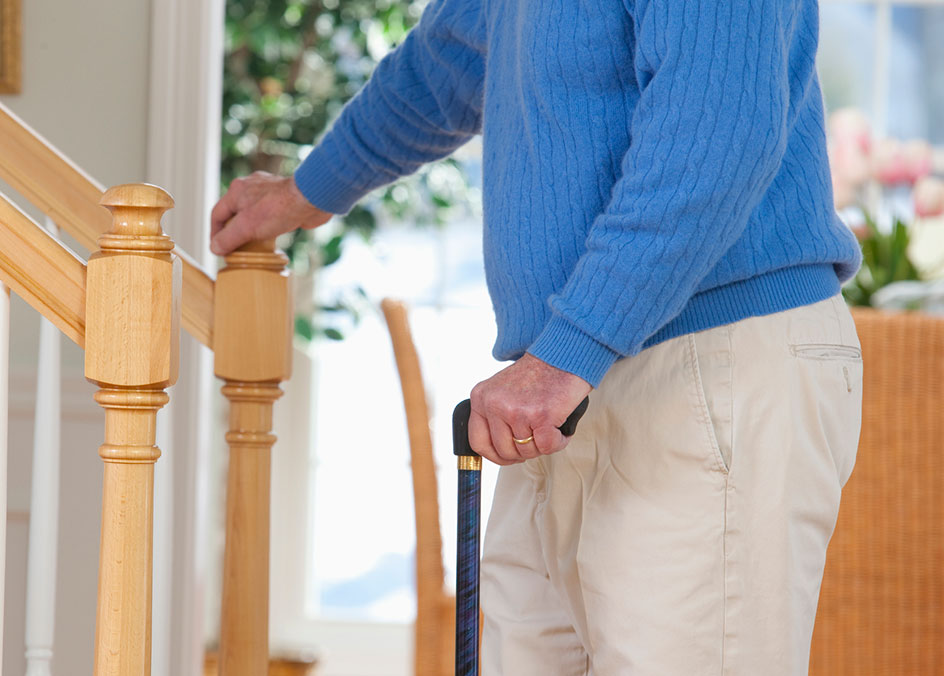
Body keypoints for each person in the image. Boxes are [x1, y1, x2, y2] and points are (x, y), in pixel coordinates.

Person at [209, 0, 864, 673]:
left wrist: (569, 351)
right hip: (571, 374)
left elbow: (716, 133)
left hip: (701, 362)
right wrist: (304, 192)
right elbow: (446, 62)